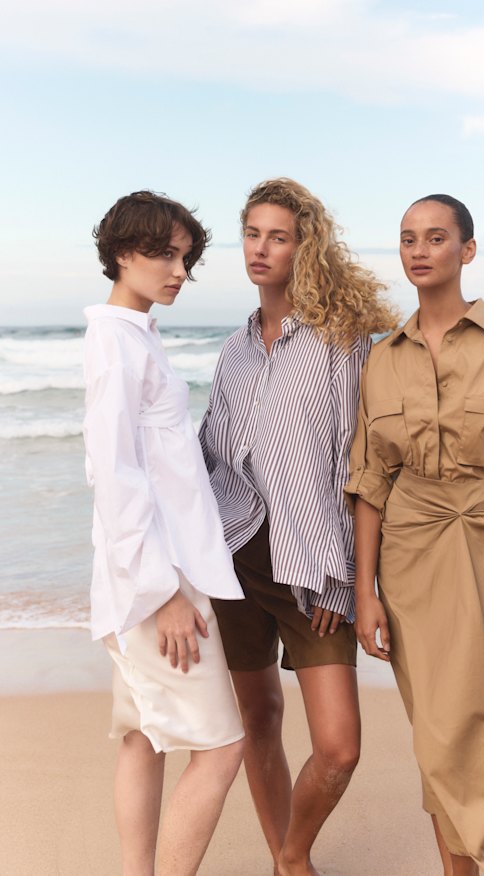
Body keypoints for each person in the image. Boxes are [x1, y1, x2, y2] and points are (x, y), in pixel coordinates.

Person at [346, 193, 484, 876]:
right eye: (408, 238)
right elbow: (369, 481)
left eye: (436, 237)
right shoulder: (382, 359)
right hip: (405, 557)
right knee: (437, 730)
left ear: (467, 250)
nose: (419, 250)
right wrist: (365, 591)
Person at [199, 177, 398, 876]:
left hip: (315, 571)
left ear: (303, 247)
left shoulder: (344, 342)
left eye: (277, 237)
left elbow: (360, 462)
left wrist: (349, 580)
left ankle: (291, 853)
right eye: (252, 234)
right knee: (259, 720)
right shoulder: (234, 349)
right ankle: (290, 866)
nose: (260, 248)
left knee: (339, 747)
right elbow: (210, 455)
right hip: (234, 557)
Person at [83, 191, 245, 876]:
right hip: (157, 584)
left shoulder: (135, 334)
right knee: (222, 747)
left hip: (149, 577)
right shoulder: (118, 342)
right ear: (124, 253)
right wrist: (165, 592)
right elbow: (115, 475)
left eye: (186, 258)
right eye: (165, 255)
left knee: (144, 739)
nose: (180, 271)